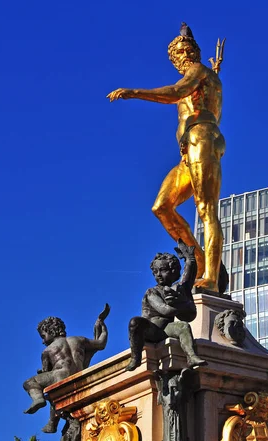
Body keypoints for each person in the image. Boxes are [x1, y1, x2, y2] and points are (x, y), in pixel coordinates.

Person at [107, 24, 225, 293]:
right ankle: (199, 260)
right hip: (188, 149)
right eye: (178, 53)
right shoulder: (203, 76)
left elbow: (175, 92)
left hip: (202, 138)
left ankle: (213, 280)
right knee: (161, 206)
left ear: (194, 52)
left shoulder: (196, 72)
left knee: (206, 209)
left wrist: (134, 92)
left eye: (186, 50)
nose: (183, 56)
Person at [126, 239, 207, 371]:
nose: (158, 275)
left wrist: (189, 259)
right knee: (134, 322)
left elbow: (188, 278)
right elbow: (165, 311)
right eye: (155, 272)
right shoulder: (152, 292)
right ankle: (136, 357)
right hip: (150, 329)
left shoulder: (175, 289)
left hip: (165, 330)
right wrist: (185, 306)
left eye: (163, 270)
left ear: (173, 271)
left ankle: (191, 356)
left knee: (183, 326)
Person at [23, 309, 109, 432]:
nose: (43, 341)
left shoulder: (47, 351)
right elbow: (101, 343)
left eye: (43, 336)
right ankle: (51, 424)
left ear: (51, 331)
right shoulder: (79, 340)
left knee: (31, 383)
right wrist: (102, 326)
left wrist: (42, 374)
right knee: (56, 392)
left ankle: (39, 401)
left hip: (60, 375)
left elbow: (46, 370)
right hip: (79, 375)